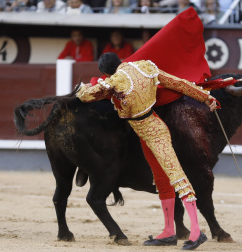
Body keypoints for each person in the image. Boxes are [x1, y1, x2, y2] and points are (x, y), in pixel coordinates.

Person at [76, 52, 215, 250]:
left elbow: (85, 96)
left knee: (177, 176)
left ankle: (196, 232)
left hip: (155, 134)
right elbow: (179, 84)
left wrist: (84, 87)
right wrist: (206, 97)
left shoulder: (114, 81)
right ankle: (169, 231)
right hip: (148, 131)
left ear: (106, 72)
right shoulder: (145, 67)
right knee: (161, 179)